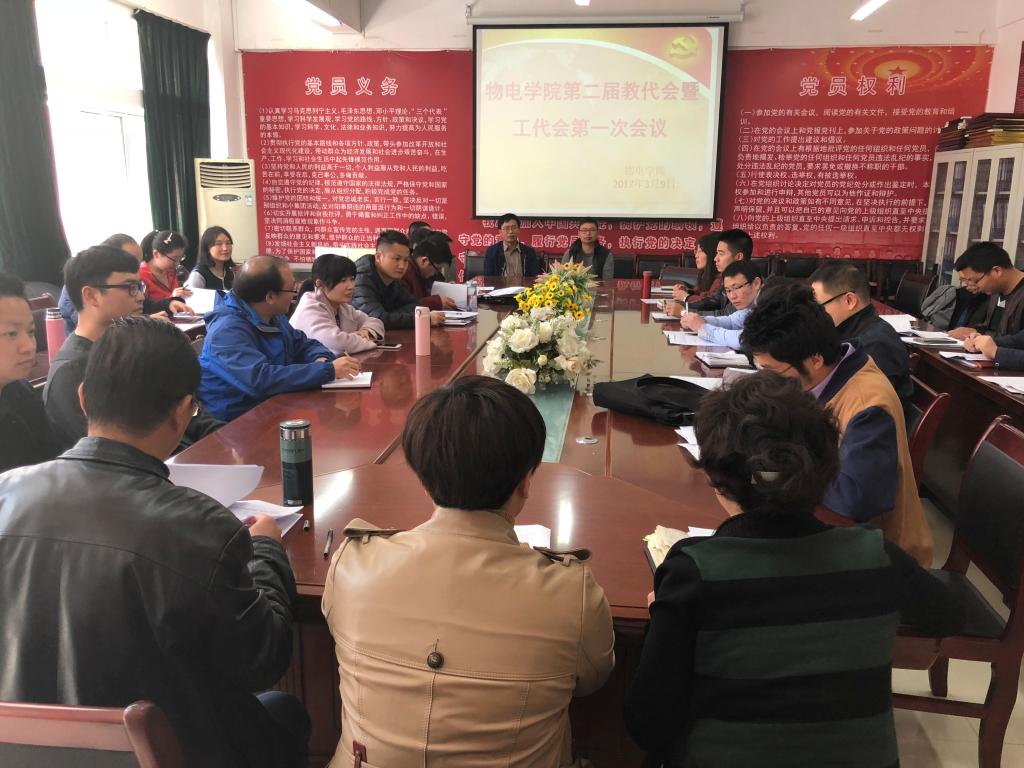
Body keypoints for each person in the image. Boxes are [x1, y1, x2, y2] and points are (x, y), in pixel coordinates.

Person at [0, 316, 309, 768]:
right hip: (175, 751)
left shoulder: (5, 491)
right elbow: (262, 659)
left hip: (27, 752)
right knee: (285, 713)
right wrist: (266, 549)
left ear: (83, 398)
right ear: (183, 411)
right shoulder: (199, 523)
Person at [625, 373, 962, 767]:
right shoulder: (876, 555)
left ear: (718, 480)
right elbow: (949, 614)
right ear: (825, 468)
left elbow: (647, 725)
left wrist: (662, 618)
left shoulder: (695, 571)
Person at [321, 376, 615, 767]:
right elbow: (593, 680)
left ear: (424, 480)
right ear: (526, 482)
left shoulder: (353, 564)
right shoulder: (570, 592)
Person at [741, 282, 933, 566]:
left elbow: (854, 502)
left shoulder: (868, 406)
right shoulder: (822, 377)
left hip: (879, 561)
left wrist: (782, 473)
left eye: (772, 371)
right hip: (830, 539)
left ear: (815, 360)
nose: (768, 381)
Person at [45, 245, 222, 451]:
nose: (140, 297)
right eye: (130, 287)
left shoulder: (139, 347)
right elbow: (105, 454)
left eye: (140, 286)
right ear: (91, 295)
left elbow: (186, 408)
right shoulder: (71, 372)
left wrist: (225, 438)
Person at [198, 255, 359, 422]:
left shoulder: (273, 315)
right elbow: (261, 380)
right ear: (270, 297)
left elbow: (304, 344)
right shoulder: (226, 331)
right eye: (292, 289)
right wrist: (327, 371)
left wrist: (321, 359)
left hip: (275, 409)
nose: (295, 295)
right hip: (235, 423)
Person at [810, 262, 912, 400]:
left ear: (849, 301)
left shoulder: (874, 345)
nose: (813, 314)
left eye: (818, 307)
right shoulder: (850, 331)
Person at [58, 233, 191, 332]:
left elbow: (146, 305)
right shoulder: (77, 288)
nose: (135, 268)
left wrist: (169, 303)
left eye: (137, 262)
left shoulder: (121, 284)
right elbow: (103, 327)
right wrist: (147, 322)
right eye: (129, 261)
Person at [0, 272, 61, 473]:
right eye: (11, 334)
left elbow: (51, 461)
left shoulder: (21, 392)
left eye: (31, 332)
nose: (29, 346)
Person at [291, 252, 385, 355]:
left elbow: (375, 322)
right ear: (320, 284)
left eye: (352, 279)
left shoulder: (342, 307)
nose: (351, 286)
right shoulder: (310, 308)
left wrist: (367, 332)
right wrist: (364, 339)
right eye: (343, 281)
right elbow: (338, 345)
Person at [352, 229, 444, 330]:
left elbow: (414, 304)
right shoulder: (361, 278)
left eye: (406, 260)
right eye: (397, 259)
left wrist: (390, 316)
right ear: (378, 257)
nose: (402, 266)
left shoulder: (392, 278)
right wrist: (422, 319)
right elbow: (378, 320)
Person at [678, 260, 762, 350]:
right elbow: (732, 321)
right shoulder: (753, 302)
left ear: (756, 283)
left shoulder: (769, 302)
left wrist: (704, 329)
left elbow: (745, 340)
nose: (732, 296)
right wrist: (698, 320)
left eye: (736, 288)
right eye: (728, 290)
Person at [948, 242, 1024, 340]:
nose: (972, 285)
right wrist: (974, 331)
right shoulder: (996, 290)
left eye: (975, 281)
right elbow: (991, 328)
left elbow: (1018, 341)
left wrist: (989, 341)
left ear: (997, 271)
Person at [686, 228, 753, 315]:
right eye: (716, 253)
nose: (715, 258)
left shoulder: (747, 283)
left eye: (721, 254)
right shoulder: (729, 277)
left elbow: (726, 316)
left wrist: (685, 312)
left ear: (739, 257)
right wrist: (684, 306)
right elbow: (714, 301)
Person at [401, 230, 458, 310]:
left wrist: (445, 289)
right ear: (424, 261)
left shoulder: (422, 273)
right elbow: (404, 307)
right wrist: (436, 302)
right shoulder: (404, 273)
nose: (435, 273)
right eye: (437, 269)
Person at [140, 229, 193, 303]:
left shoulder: (171, 271)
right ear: (156, 254)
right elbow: (142, 307)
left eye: (181, 258)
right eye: (174, 259)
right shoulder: (141, 276)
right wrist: (171, 298)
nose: (178, 263)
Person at [483, 213, 542, 278]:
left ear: (519, 230)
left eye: (514, 228)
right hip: (500, 284)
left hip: (523, 284)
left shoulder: (529, 252)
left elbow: (535, 277)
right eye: (506, 228)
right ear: (500, 231)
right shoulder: (492, 251)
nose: (510, 231)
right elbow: (488, 277)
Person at [669, 233, 721, 306]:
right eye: (696, 251)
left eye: (700, 251)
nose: (696, 255)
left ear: (712, 253)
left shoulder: (721, 277)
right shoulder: (705, 273)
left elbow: (710, 302)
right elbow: (699, 292)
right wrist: (687, 291)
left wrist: (686, 297)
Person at [186, 226, 236, 290]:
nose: (225, 248)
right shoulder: (198, 275)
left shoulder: (230, 272)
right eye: (218, 244)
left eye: (228, 243)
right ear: (207, 248)